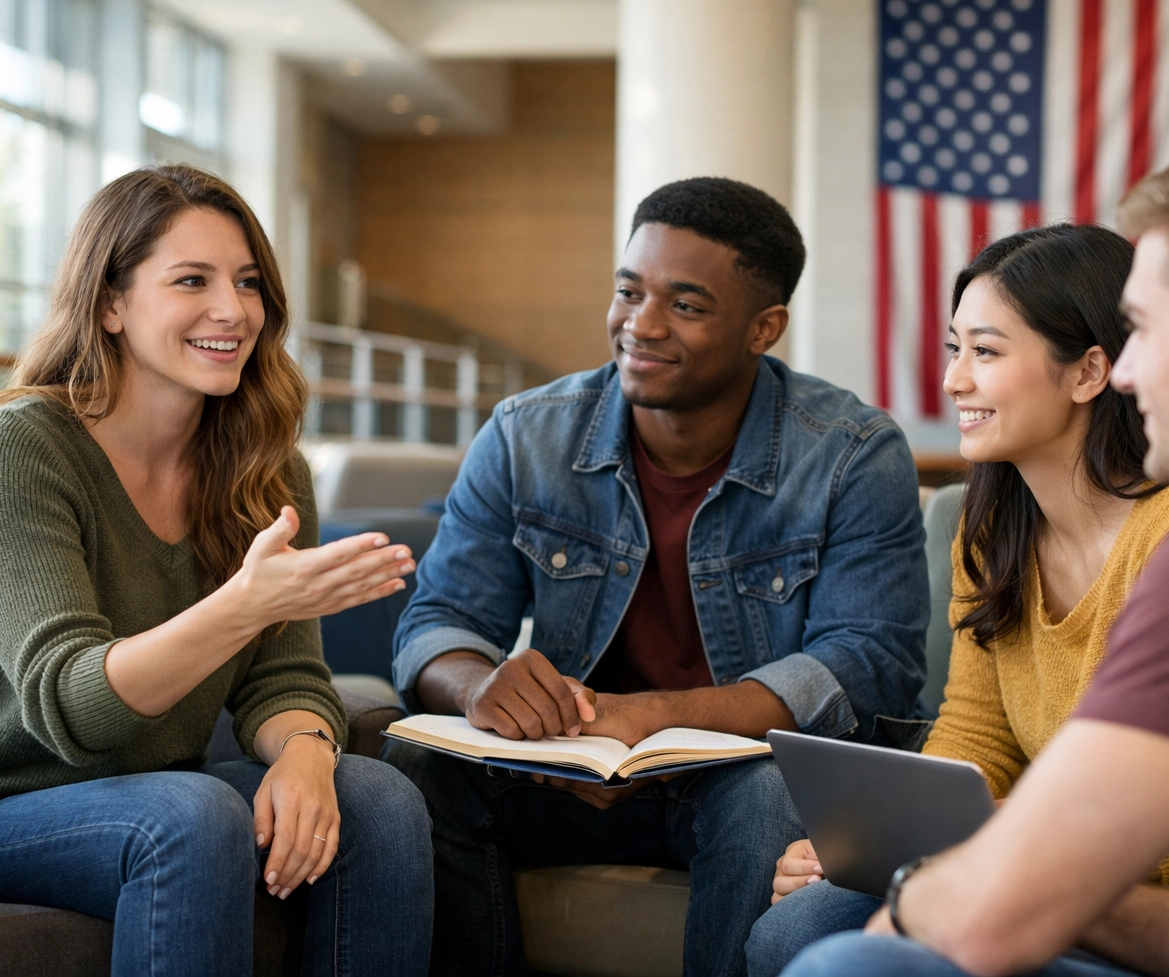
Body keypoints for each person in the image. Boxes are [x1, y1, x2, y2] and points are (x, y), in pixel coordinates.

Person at [779, 135, 1169, 977]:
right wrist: (936, 853)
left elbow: (1003, 919)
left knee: (847, 965)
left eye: (1144, 331)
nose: (1128, 372)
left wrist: (935, 882)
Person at [0, 165, 434, 977]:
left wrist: (306, 753)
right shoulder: (18, 449)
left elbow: (283, 679)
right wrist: (245, 604)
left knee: (381, 800)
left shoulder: (266, 468)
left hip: (140, 789)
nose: (234, 310)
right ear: (110, 304)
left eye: (247, 282)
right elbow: (72, 707)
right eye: (192, 280)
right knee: (190, 816)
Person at [381, 176, 929, 977]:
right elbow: (438, 622)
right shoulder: (526, 434)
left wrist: (647, 718)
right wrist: (477, 688)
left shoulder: (850, 452)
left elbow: (866, 665)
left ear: (764, 328)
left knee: (769, 796)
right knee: (417, 773)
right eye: (629, 292)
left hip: (743, 773)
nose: (640, 324)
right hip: (574, 771)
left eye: (686, 305)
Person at [748, 223, 1169, 977]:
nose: (953, 381)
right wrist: (893, 837)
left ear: (1088, 371)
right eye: (954, 348)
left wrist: (1012, 839)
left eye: (987, 352)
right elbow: (979, 732)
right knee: (796, 924)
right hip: (1030, 863)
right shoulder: (990, 527)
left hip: (1153, 902)